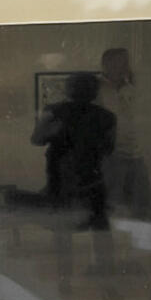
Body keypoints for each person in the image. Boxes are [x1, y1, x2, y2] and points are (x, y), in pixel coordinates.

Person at [31, 72, 117, 231]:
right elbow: (109, 149)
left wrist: (57, 131)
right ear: (95, 92)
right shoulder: (107, 116)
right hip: (90, 176)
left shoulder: (54, 111)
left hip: (63, 175)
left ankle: (65, 253)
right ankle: (104, 254)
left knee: (61, 224)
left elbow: (36, 139)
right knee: (99, 224)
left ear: (68, 89)